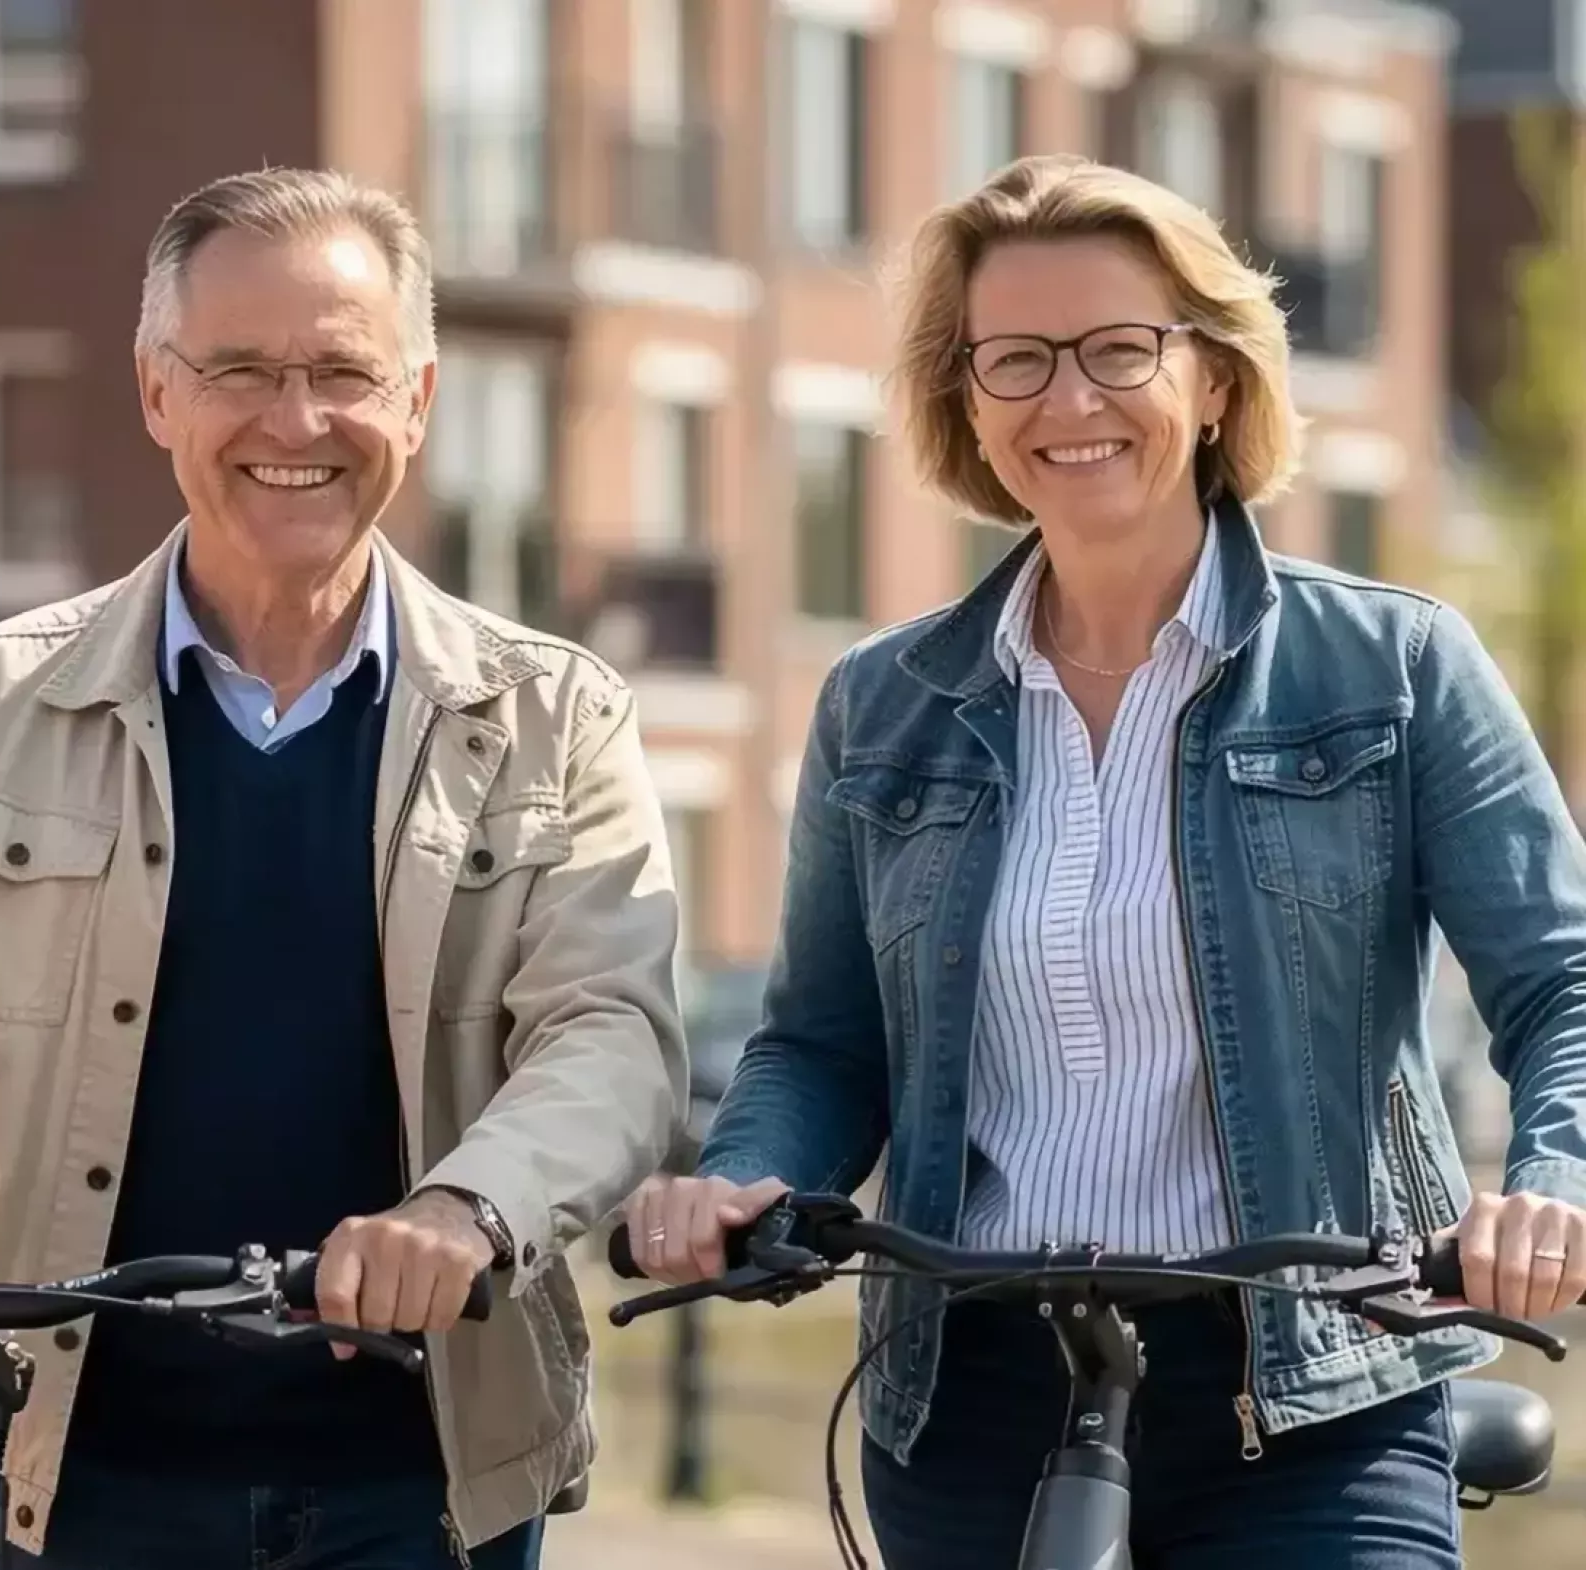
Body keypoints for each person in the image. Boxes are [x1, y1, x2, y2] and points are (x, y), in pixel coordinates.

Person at [0, 168, 687, 1569]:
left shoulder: (554, 717)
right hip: (56, 1474)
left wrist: (470, 1205)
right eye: (242, 371)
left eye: (343, 370)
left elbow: (612, 1029)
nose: (296, 420)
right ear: (158, 393)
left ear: (418, 400)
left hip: (429, 1488)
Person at [623, 153, 1586, 1569]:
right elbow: (822, 1043)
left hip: (1314, 1386)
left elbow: (1562, 980)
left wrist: (1555, 1180)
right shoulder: (881, 706)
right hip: (971, 1400)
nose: (1068, 401)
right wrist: (743, 1175)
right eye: (1015, 358)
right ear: (965, 398)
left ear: (1212, 378)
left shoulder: (1394, 668)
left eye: (1118, 348)